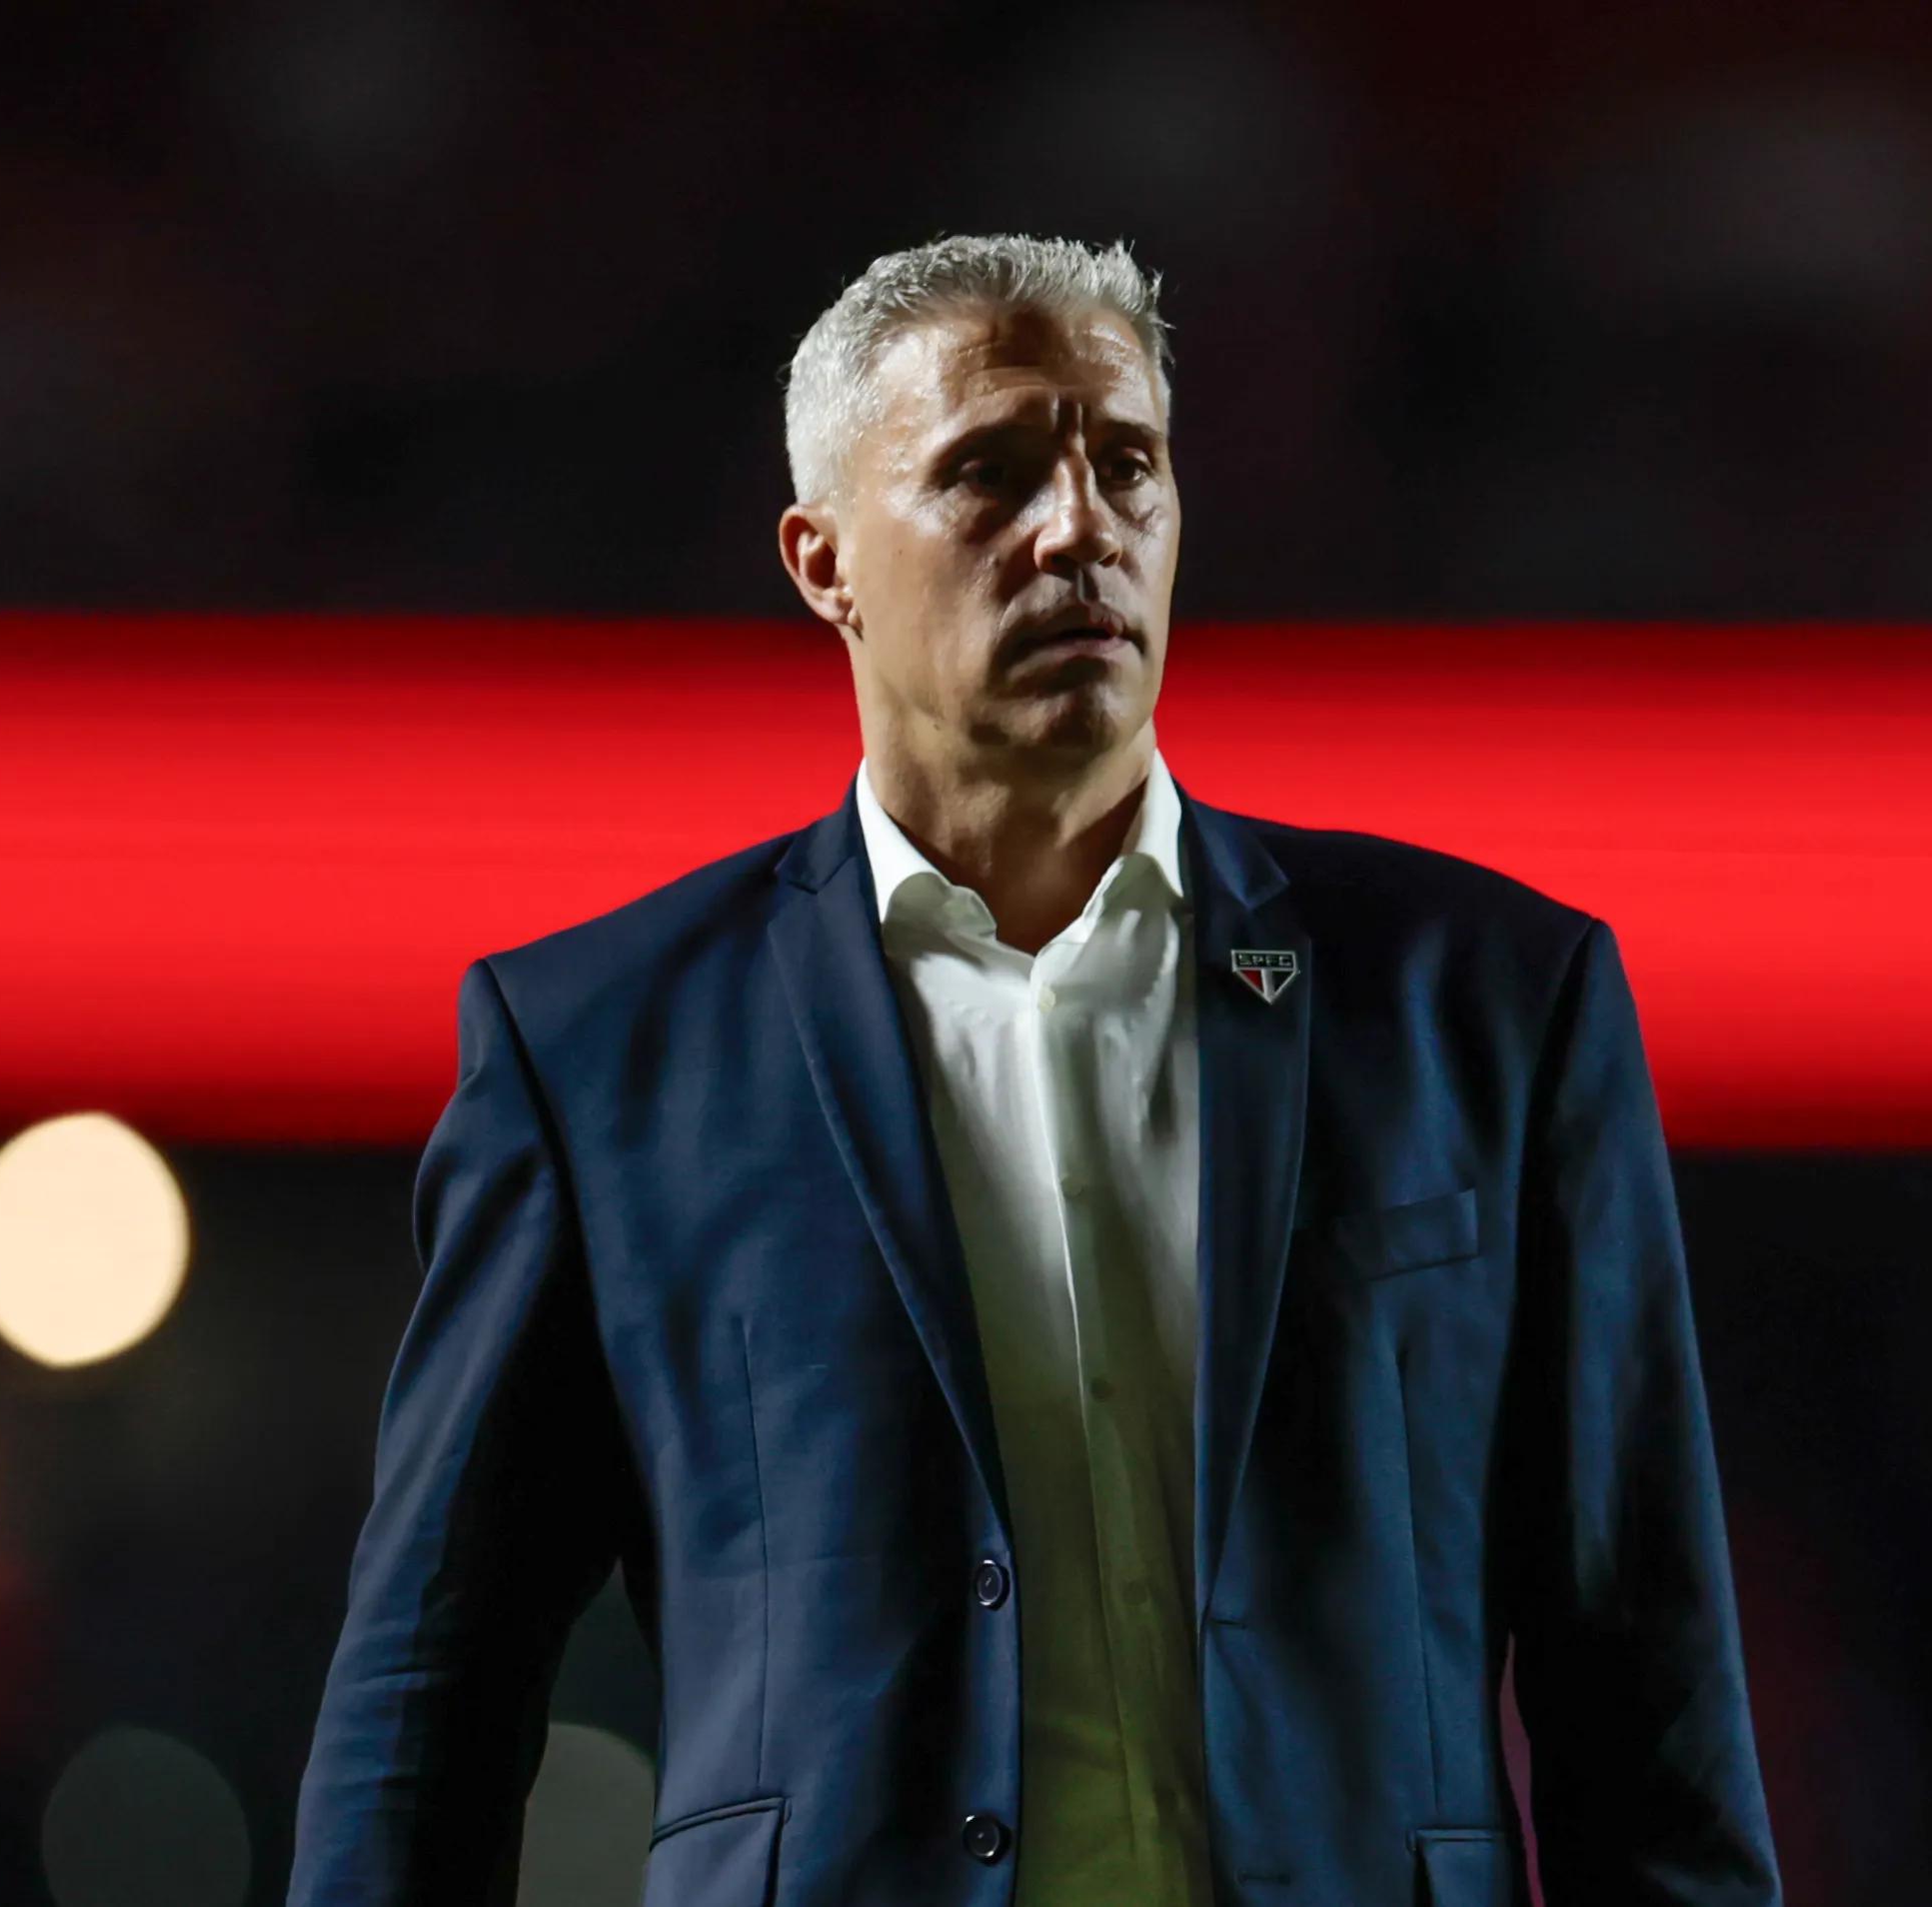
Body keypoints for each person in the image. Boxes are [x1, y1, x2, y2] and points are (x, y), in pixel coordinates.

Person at [289, 234, 1778, 1907]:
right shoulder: (596, 1052)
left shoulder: (1493, 1001)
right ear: (822, 561)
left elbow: (1644, 1679)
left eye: (1126, 463)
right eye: (990, 472)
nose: (1082, 528)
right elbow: (430, 1699)